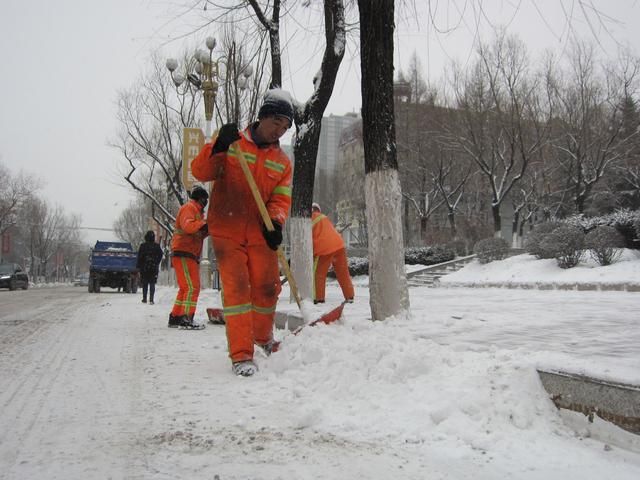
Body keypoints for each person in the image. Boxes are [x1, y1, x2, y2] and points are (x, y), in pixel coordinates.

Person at [191, 89, 294, 377]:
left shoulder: (283, 162)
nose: (280, 131)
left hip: (260, 231)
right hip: (228, 229)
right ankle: (241, 355)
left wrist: (276, 223)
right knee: (237, 289)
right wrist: (218, 147)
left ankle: (262, 338)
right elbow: (200, 171)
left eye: (285, 127)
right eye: (277, 122)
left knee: (268, 287)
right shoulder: (232, 143)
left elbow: (281, 197)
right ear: (262, 117)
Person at [168, 185, 209, 330]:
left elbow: (197, 232)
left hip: (187, 253)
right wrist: (204, 225)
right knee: (192, 287)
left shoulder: (196, 211)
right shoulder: (190, 208)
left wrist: (206, 229)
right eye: (205, 200)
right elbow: (188, 227)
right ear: (201, 199)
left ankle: (176, 317)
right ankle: (186, 318)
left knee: (186, 288)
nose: (206, 203)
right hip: (184, 251)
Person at [311, 202, 354, 305]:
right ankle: (350, 296)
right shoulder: (324, 218)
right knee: (343, 272)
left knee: (318, 274)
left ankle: (319, 298)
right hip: (339, 245)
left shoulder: (307, 220)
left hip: (324, 249)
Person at [136, 230, 163, 304]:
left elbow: (139, 257)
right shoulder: (156, 246)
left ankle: (144, 299)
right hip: (153, 268)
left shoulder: (143, 246)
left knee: (145, 283)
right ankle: (151, 299)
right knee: (152, 283)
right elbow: (161, 255)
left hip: (144, 268)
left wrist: (138, 266)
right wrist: (156, 262)